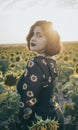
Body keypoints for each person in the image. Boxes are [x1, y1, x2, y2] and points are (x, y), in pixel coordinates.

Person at [16, 20, 64, 130]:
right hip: (55, 118)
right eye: (32, 34)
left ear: (50, 40)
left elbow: (28, 101)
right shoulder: (52, 61)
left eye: (39, 35)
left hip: (41, 123)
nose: (33, 38)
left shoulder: (35, 63)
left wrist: (22, 123)